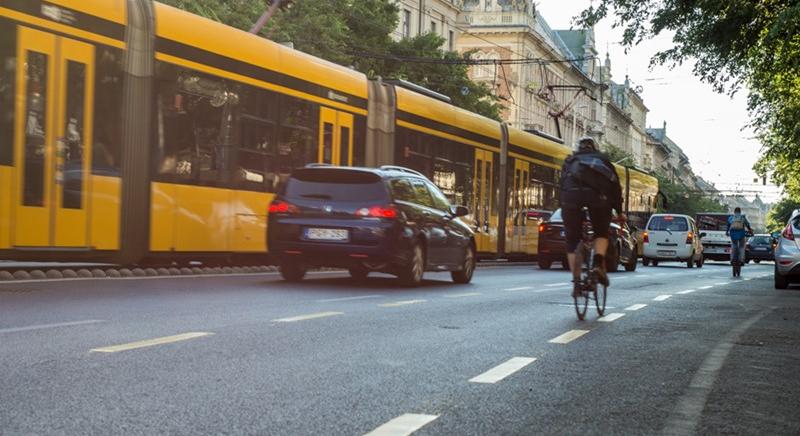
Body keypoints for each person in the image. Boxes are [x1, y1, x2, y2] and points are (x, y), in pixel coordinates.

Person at [559, 136, 625, 297]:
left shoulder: (570, 161)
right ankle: (597, 263)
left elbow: (560, 185)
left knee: (572, 240)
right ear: (595, 148)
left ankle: (576, 282)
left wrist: (563, 206)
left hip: (571, 199)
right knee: (601, 232)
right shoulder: (603, 160)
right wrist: (619, 210)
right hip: (598, 199)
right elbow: (615, 187)